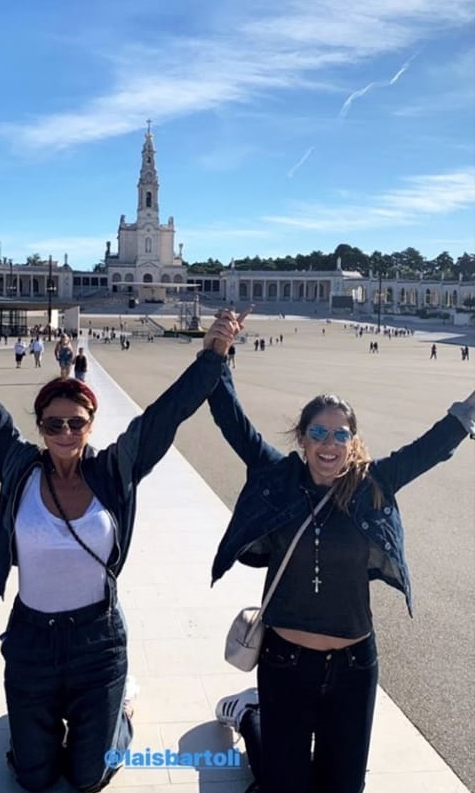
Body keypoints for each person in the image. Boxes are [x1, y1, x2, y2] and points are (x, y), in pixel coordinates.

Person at [0, 277, 235, 793]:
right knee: (33, 778)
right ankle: (47, 719)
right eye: (53, 424)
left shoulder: (114, 470)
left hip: (97, 641)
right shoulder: (19, 468)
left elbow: (165, 416)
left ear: (90, 424)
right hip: (32, 638)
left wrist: (211, 356)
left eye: (74, 423)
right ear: (39, 427)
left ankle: (117, 711)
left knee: (88, 775)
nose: (64, 433)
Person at [206, 309, 474, 793]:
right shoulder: (278, 478)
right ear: (303, 438)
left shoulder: (374, 485)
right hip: (285, 662)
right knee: (286, 785)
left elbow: (431, 447)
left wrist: (469, 410)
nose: (329, 444)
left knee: (342, 788)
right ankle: (251, 716)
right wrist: (218, 353)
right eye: (318, 433)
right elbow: (232, 422)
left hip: (353, 666)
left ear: (353, 443)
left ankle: (253, 718)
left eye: (340, 435)